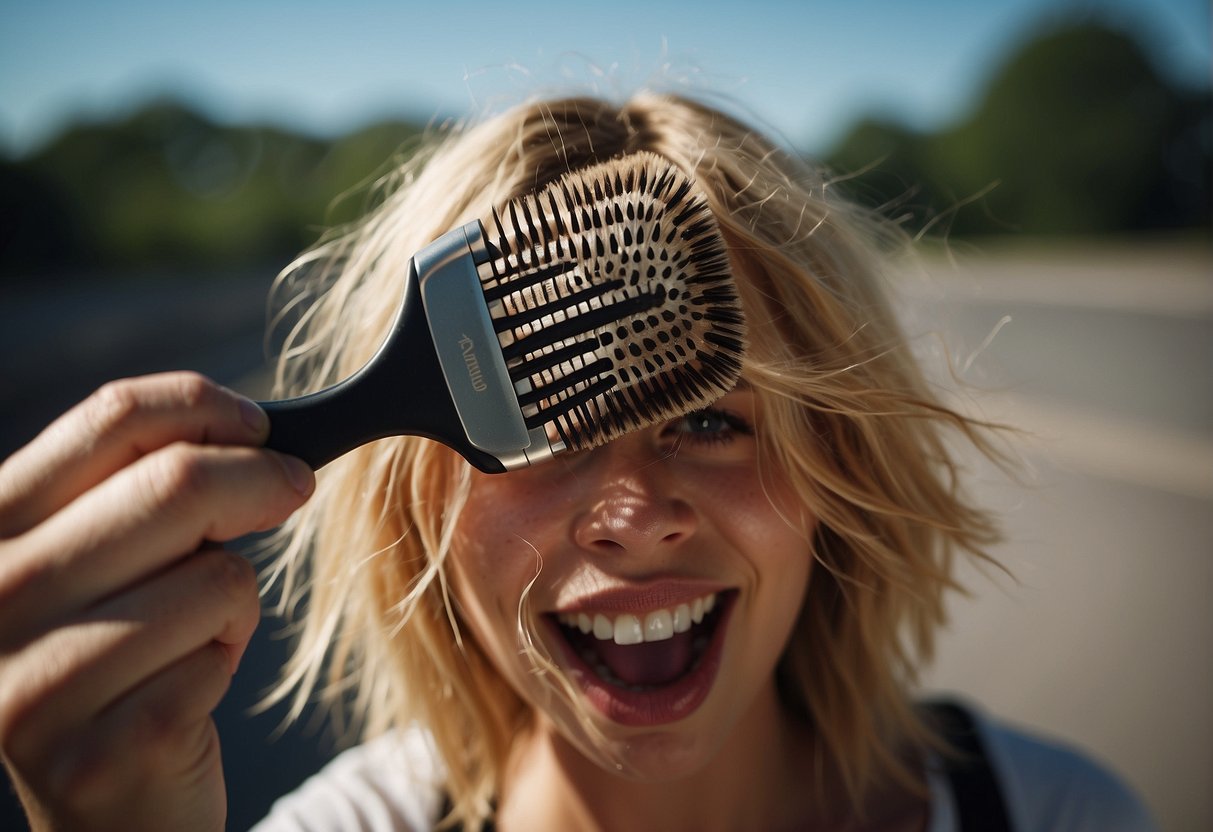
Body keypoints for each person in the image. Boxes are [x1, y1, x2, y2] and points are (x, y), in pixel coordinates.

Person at [0, 92, 1155, 831]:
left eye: (711, 423)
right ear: (417, 512)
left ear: (835, 469)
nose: (632, 514)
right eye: (532, 433)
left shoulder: (1056, 813)